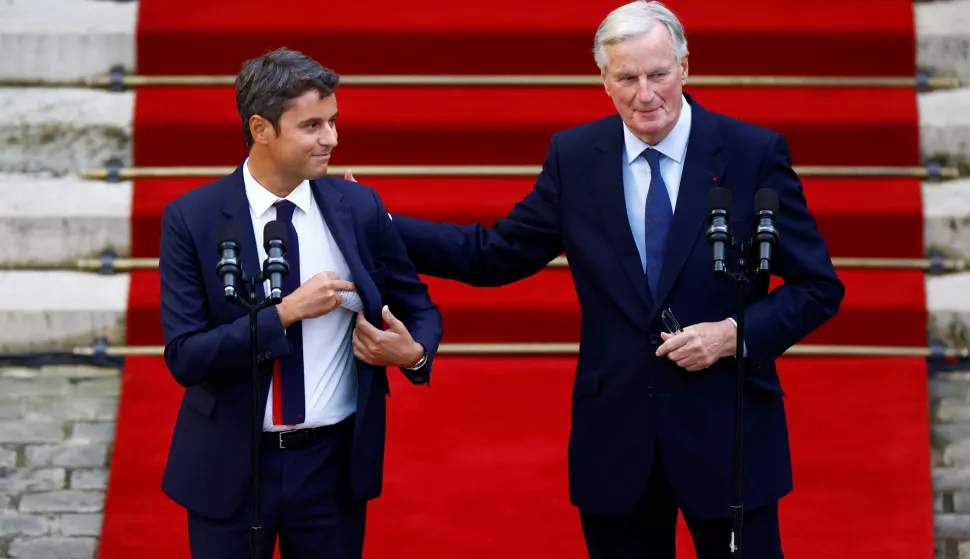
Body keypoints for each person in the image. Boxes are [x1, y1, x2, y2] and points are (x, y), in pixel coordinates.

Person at [347, 1, 844, 557]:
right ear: (604, 80)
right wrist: (380, 223)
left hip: (727, 431)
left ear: (684, 67)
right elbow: (493, 255)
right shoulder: (577, 156)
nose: (645, 93)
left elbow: (818, 287)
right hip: (617, 438)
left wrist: (734, 333)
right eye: (626, 78)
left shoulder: (753, 153)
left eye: (657, 74)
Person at [158, 47, 442, 559]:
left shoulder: (358, 205)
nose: (331, 138)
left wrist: (414, 354)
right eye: (312, 126)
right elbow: (184, 356)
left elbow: (418, 306)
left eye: (333, 121)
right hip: (231, 468)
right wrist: (284, 314)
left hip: (333, 469)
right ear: (261, 128)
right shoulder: (192, 218)